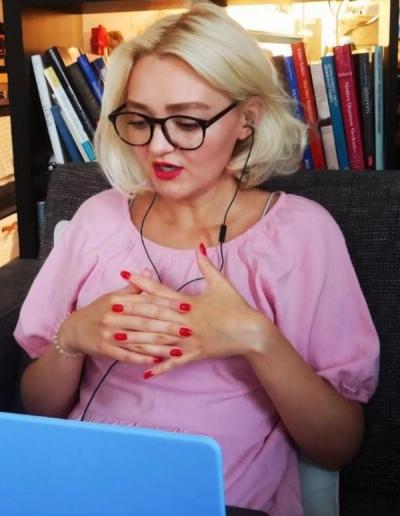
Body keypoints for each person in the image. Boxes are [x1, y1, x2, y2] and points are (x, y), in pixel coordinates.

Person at [15, 3, 379, 514]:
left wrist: (255, 338)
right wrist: (72, 337)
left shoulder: (300, 233)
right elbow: (37, 408)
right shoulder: (98, 219)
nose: (160, 148)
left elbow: (337, 447)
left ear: (247, 120)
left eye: (187, 121)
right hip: (81, 489)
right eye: (140, 119)